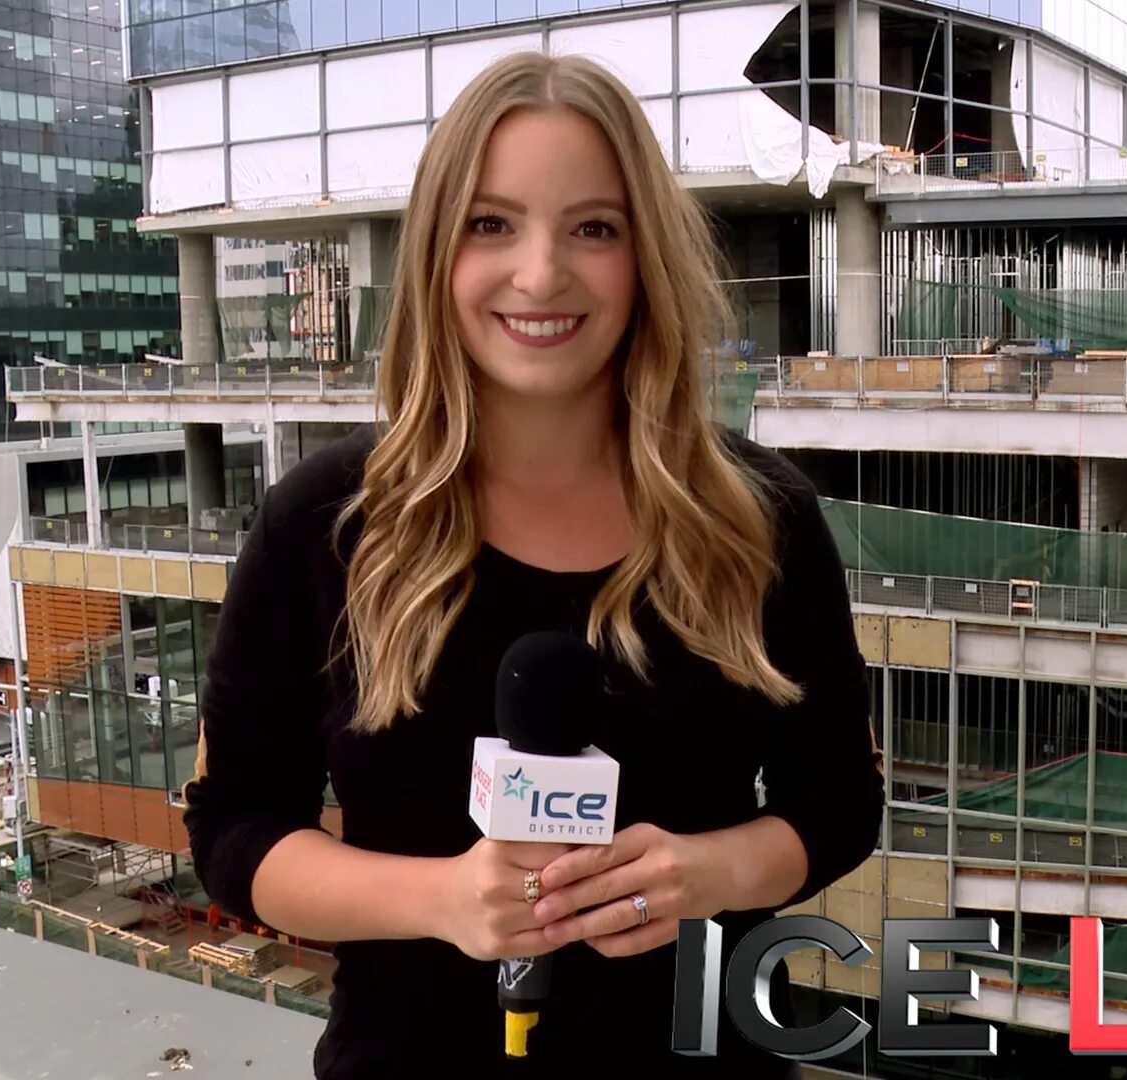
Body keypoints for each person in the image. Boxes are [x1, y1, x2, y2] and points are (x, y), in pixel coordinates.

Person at [182, 51, 883, 1078]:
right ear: (435, 253)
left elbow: (838, 801)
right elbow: (235, 831)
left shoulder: (760, 519)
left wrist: (714, 870)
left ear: (645, 255)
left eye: (594, 228)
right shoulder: (323, 528)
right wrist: (443, 901)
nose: (543, 272)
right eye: (491, 223)